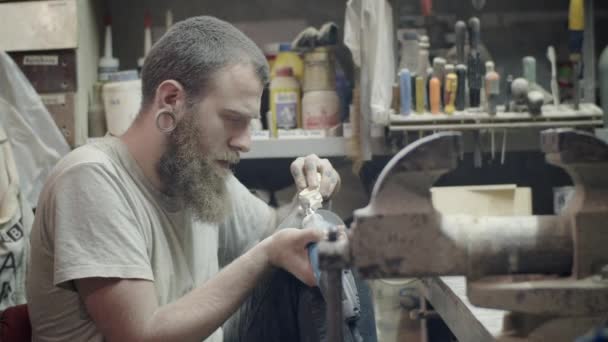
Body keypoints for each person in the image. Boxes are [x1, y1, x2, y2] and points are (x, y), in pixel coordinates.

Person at [26, 16, 342, 342]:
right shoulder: (90, 178)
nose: (245, 142)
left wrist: (313, 193)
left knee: (322, 273)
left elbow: (276, 232)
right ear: (171, 100)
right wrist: (266, 254)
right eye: (233, 119)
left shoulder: (197, 173)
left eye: (251, 124)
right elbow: (141, 335)